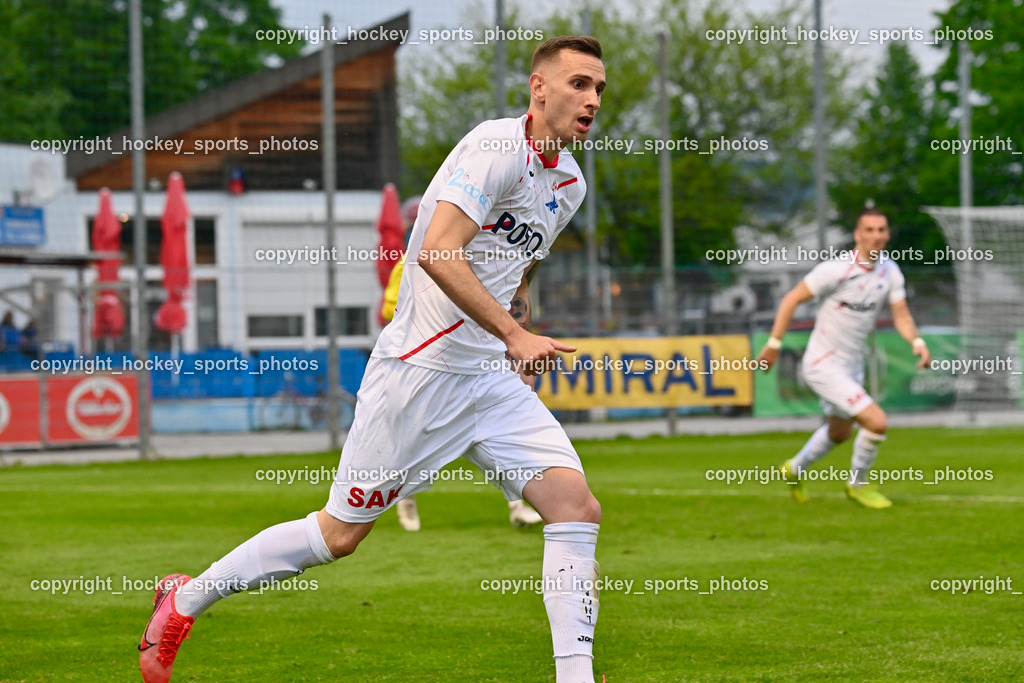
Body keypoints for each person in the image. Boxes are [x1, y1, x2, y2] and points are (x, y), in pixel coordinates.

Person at [140, 35, 606, 683]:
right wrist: (512, 333)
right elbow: (437, 250)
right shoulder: (496, 148)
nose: (592, 99)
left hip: (489, 380)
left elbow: (519, 268)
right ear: (539, 88)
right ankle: (185, 598)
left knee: (576, 508)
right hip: (418, 374)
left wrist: (516, 335)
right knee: (337, 536)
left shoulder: (570, 184)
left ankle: (574, 676)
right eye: (579, 84)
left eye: (599, 88)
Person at [755, 208, 932, 509]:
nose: (876, 236)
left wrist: (917, 341)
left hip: (852, 366)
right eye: (869, 230)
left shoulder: (890, 271)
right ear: (857, 235)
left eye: (881, 230)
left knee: (840, 432)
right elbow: (791, 298)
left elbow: (901, 314)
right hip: (823, 365)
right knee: (876, 422)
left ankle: (794, 468)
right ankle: (857, 486)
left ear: (887, 234)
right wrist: (774, 344)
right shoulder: (836, 269)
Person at [381, 247, 544, 531]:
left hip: (481, 358)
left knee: (505, 427)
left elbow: (511, 295)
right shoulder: (412, 259)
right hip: (429, 363)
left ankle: (518, 506)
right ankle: (405, 499)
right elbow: (390, 310)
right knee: (412, 436)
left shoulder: (486, 254)